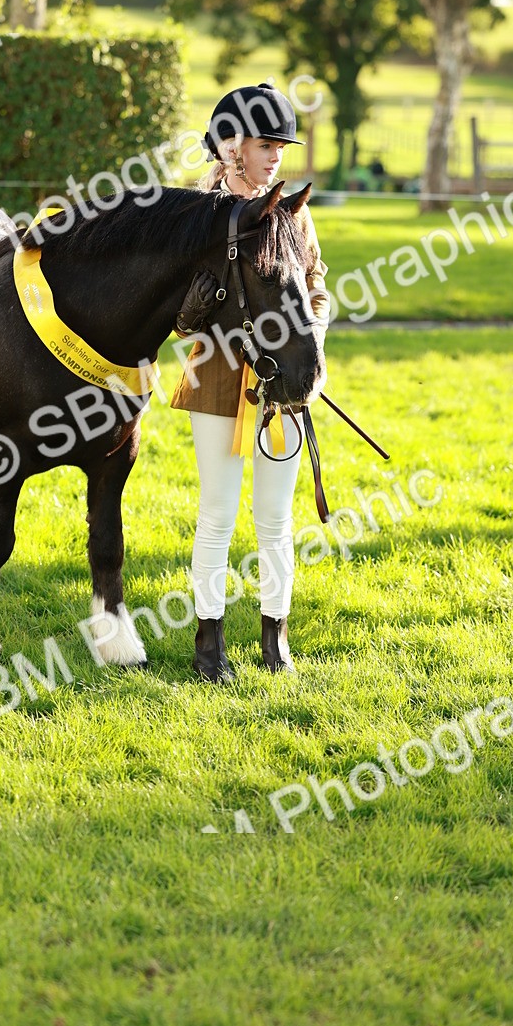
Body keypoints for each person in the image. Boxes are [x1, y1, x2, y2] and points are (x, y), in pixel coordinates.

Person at [170, 83, 331, 682]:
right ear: (231, 146)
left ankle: (275, 638)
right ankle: (208, 645)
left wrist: (314, 336)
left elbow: (315, 281)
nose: (276, 157)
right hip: (215, 374)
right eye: (266, 145)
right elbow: (179, 314)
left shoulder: (293, 210)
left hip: (283, 379)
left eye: (281, 146)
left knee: (274, 516)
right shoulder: (197, 211)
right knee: (216, 513)